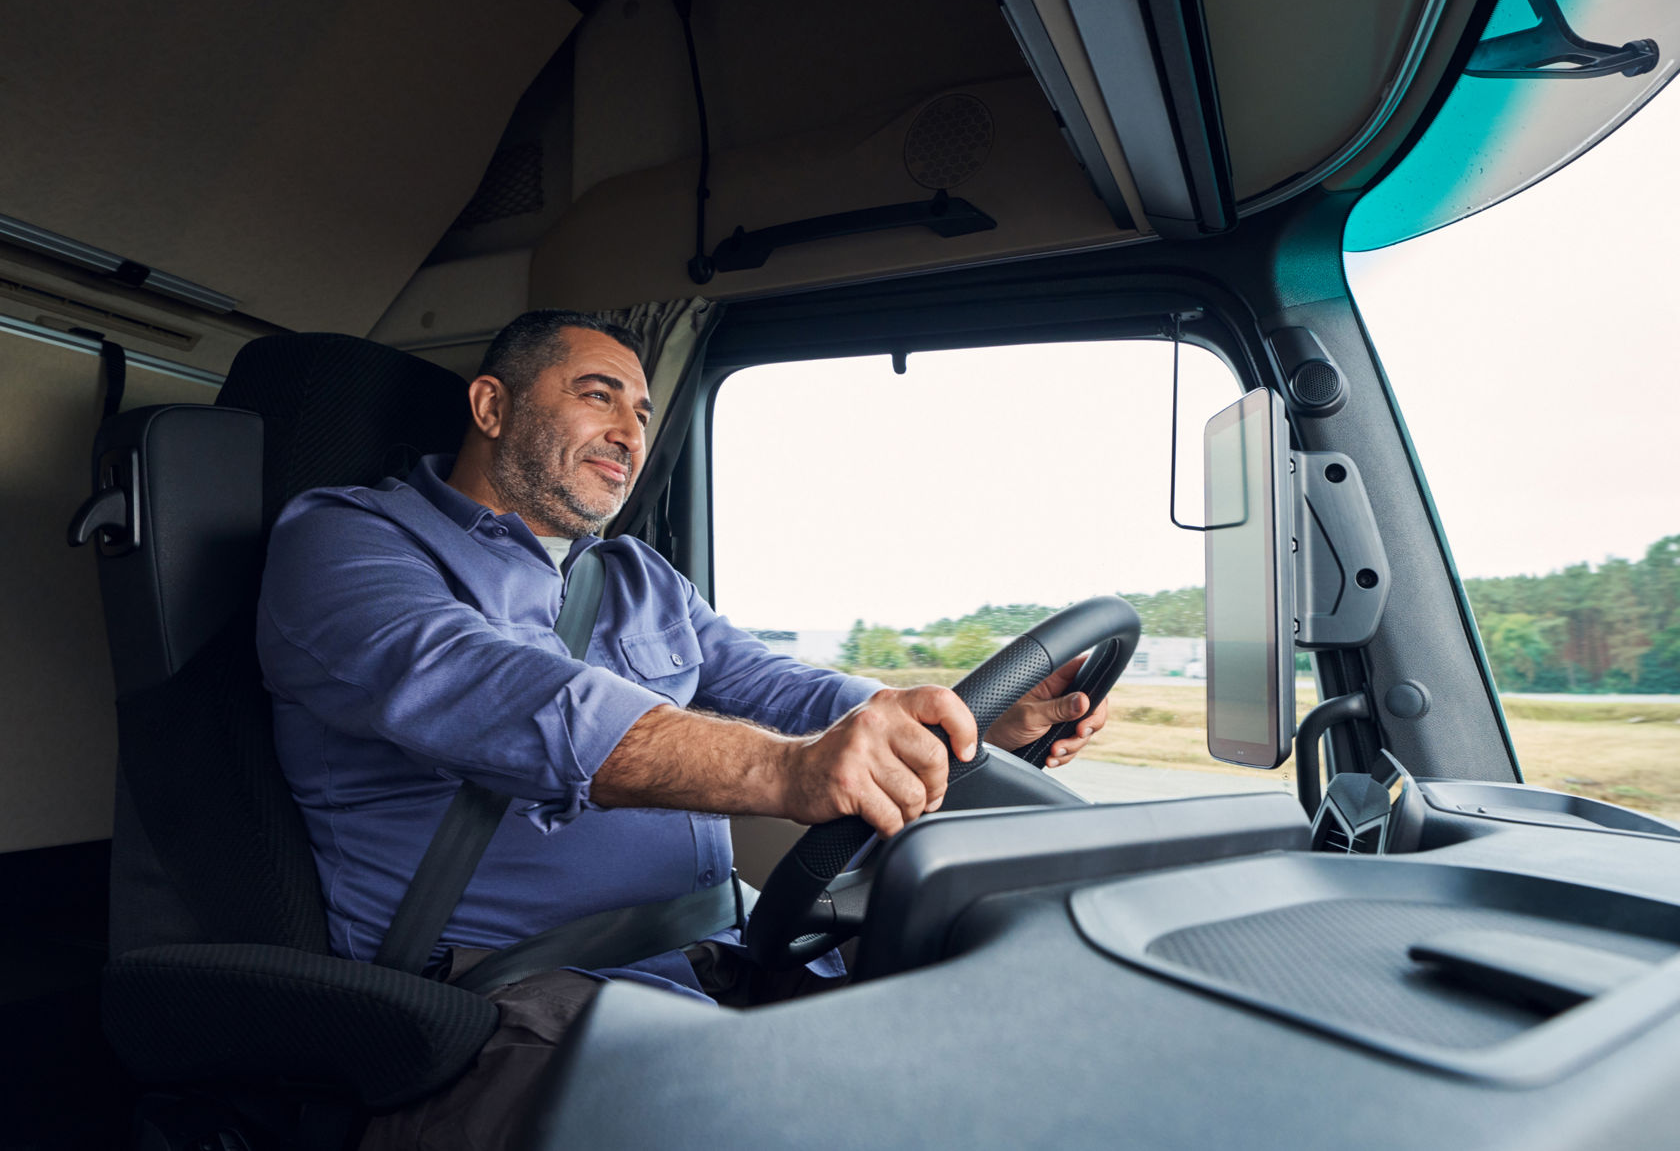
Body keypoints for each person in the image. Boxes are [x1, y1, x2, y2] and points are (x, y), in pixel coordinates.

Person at [256, 309, 1108, 1146]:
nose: (630, 433)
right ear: (492, 407)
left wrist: (949, 720)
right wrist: (787, 772)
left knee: (1020, 1047)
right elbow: (504, 694)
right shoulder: (347, 541)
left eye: (642, 412)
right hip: (515, 992)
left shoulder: (638, 575)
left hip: (729, 948)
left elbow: (775, 685)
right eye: (598, 396)